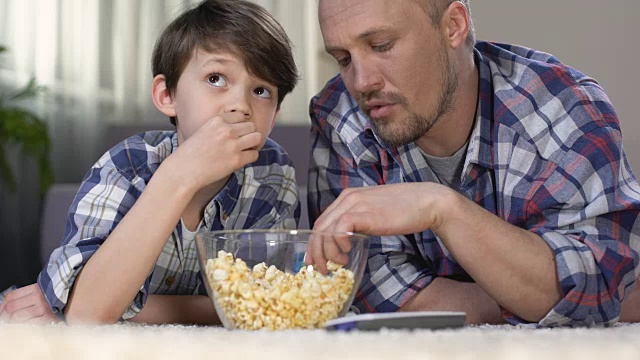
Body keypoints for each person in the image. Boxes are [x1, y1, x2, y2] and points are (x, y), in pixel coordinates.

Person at [305, 0, 640, 327]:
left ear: (454, 26)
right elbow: (373, 292)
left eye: (381, 45)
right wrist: (531, 296)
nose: (362, 82)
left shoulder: (562, 106)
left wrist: (442, 208)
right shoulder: (339, 113)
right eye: (344, 59)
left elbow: (598, 279)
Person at [0, 0, 299, 325]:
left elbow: (268, 303)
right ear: (167, 95)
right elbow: (87, 312)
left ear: (275, 116)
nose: (240, 105)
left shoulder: (273, 173)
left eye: (261, 90)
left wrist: (126, 309)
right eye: (216, 78)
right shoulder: (128, 164)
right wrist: (179, 175)